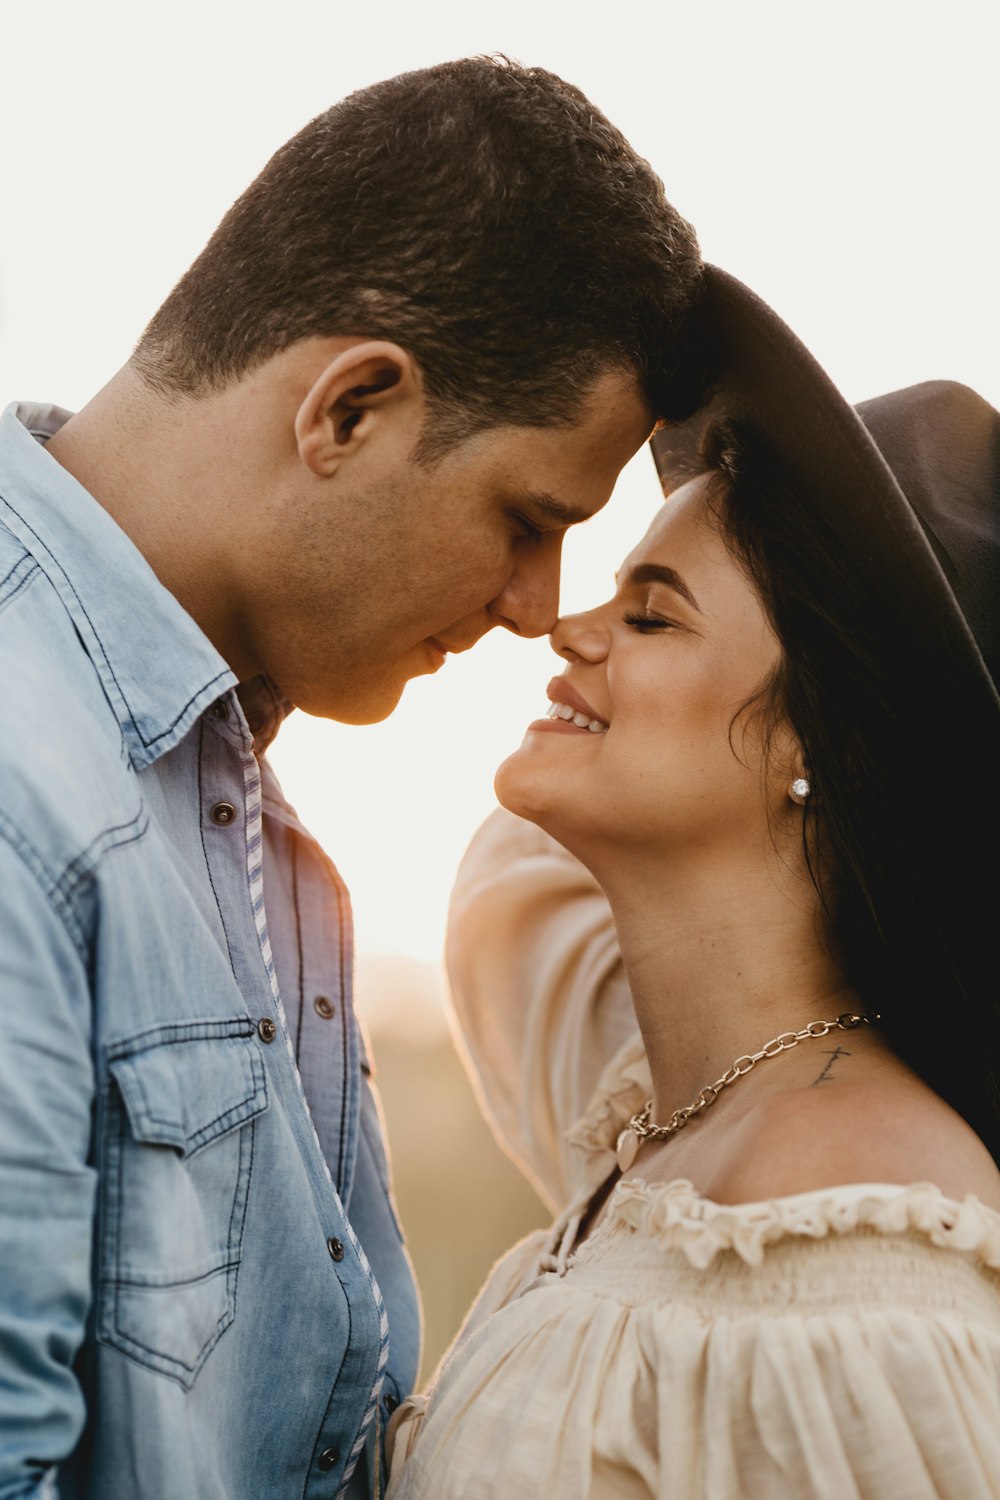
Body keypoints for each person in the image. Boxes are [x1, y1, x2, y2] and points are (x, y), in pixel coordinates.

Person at [0, 57, 709, 1500]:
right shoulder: (27, 790)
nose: (536, 603)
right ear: (348, 410)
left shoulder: (219, 805)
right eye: (528, 517)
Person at [385, 267, 1000, 1498]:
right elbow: (511, 895)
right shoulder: (647, 1126)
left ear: (816, 744)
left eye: (652, 615)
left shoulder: (866, 1255)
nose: (565, 626)